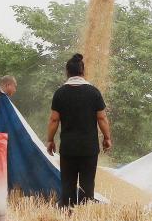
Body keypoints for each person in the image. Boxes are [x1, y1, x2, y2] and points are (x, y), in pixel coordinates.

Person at [46, 54, 112, 207]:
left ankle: (66, 216)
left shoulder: (60, 93)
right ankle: (84, 216)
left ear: (67, 72)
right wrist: (107, 138)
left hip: (68, 148)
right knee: (87, 186)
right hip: (89, 148)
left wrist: (50, 140)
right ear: (83, 72)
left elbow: (54, 119)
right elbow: (102, 118)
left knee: (67, 186)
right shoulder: (93, 92)